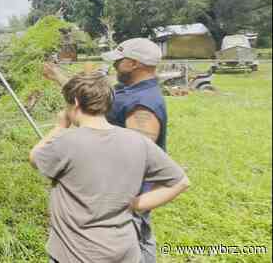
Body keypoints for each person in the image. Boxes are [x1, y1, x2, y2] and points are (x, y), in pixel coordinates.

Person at [29, 72, 190, 263]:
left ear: (76, 103)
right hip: (123, 252)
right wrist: (136, 204)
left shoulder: (66, 142)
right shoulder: (137, 141)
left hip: (74, 253)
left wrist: (60, 126)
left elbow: (34, 157)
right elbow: (180, 182)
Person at [44, 38, 168, 262]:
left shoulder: (143, 103)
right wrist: (57, 76)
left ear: (133, 63)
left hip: (123, 194)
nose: (114, 65)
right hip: (113, 192)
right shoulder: (129, 90)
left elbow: (135, 158)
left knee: (137, 238)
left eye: (118, 61)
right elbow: (89, 96)